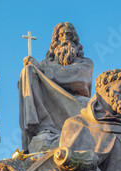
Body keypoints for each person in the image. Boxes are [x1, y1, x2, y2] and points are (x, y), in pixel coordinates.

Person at [19, 22, 94, 153]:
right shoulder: (43, 64)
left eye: (68, 34)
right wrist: (28, 75)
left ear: (74, 39)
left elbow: (78, 78)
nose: (65, 37)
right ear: (56, 40)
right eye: (61, 35)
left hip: (76, 102)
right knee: (28, 70)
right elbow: (28, 83)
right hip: (49, 101)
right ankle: (43, 127)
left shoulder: (85, 63)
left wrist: (43, 70)